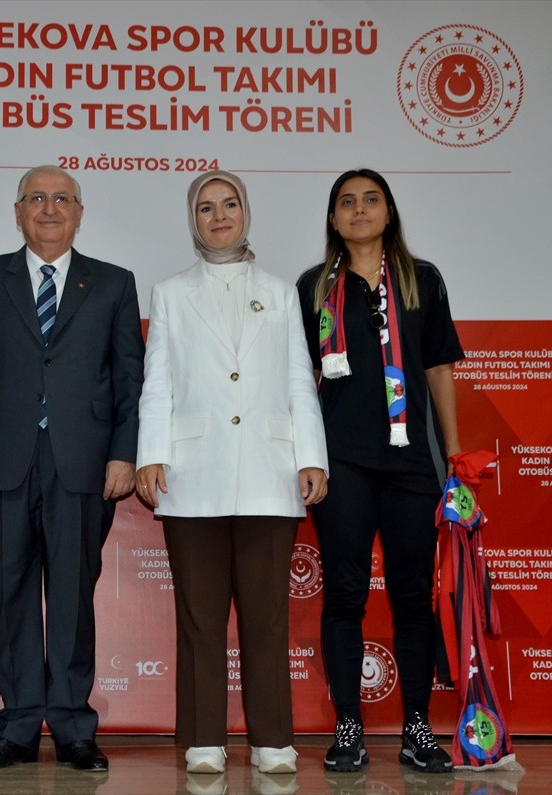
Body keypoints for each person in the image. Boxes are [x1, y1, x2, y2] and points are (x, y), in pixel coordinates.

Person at [0, 165, 145, 772]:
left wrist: (124, 452)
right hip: (0, 461)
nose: (49, 209)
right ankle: (18, 728)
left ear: (80, 213)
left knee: (72, 598)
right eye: (37, 198)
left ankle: (74, 727)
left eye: (62, 199)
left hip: (83, 464)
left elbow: (131, 378)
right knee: (11, 597)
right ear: (17, 211)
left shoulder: (112, 283)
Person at [135, 171, 328, 775]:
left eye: (230, 204)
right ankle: (204, 738)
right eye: (207, 207)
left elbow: (300, 376)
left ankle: (273, 739)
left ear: (246, 213)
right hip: (192, 472)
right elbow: (158, 381)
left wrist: (311, 454)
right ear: (193, 219)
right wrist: (150, 452)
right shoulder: (169, 293)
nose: (220, 216)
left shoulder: (280, 291)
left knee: (268, 614)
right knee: (200, 614)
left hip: (271, 471)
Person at [296, 168, 463, 774]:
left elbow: (440, 369)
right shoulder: (313, 286)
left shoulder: (424, 280)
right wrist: (305, 457)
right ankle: (348, 730)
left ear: (388, 212)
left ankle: (418, 729)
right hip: (340, 465)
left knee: (412, 597)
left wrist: (456, 455)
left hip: (412, 464)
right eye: (347, 202)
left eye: (371, 200)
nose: (359, 210)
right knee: (343, 596)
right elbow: (303, 379)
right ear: (334, 219)